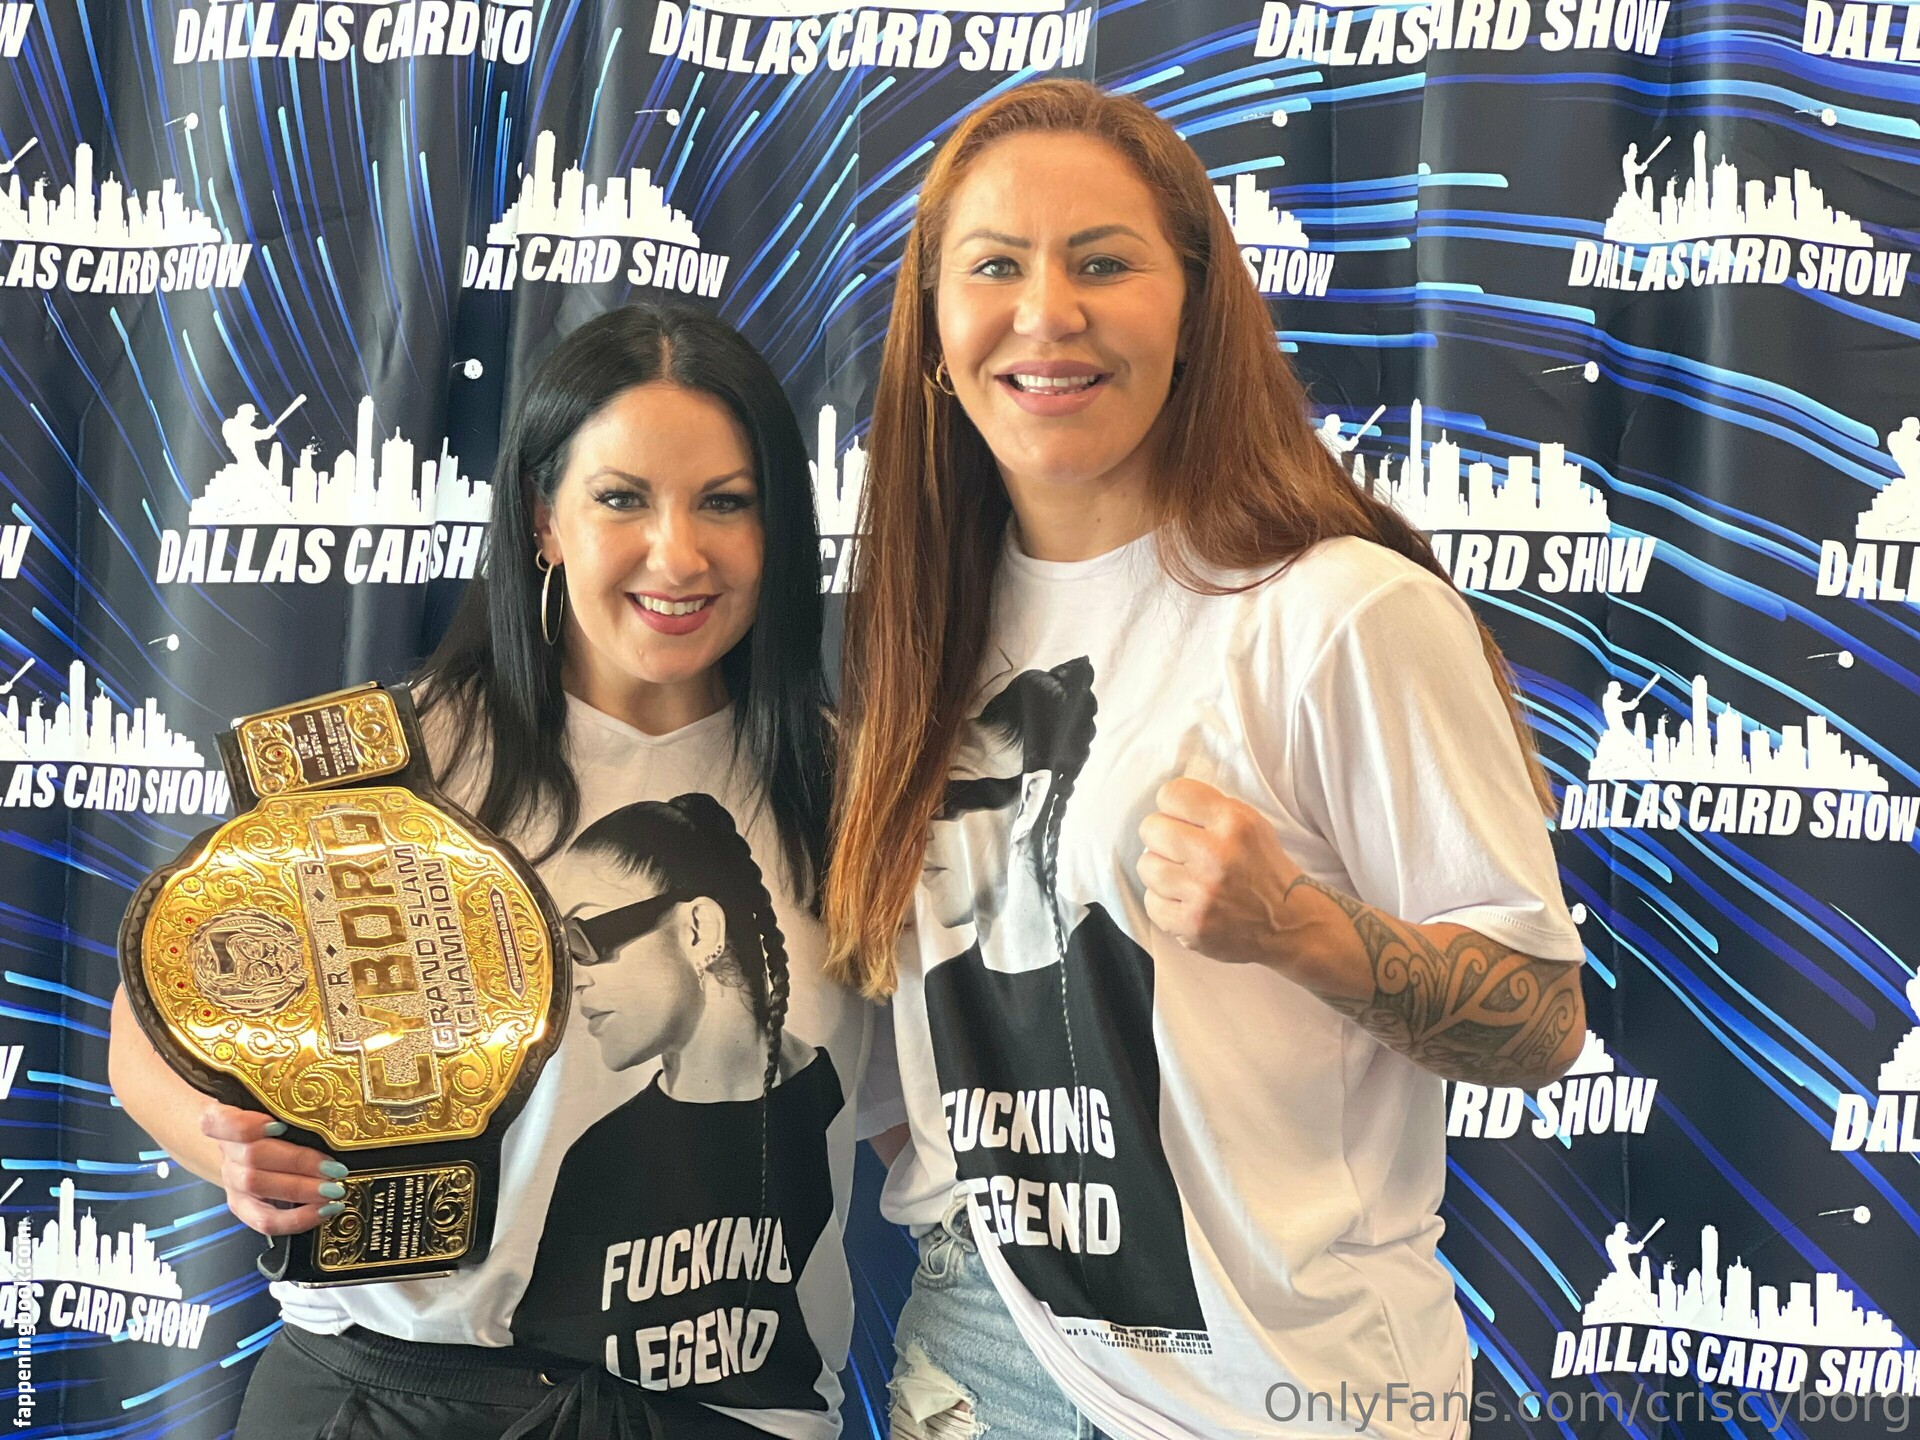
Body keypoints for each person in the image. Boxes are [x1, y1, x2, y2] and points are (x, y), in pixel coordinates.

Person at [828, 80, 1589, 1440]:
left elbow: (1540, 1017)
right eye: (993, 266)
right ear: (934, 329)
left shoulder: (1340, 610)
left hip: (1289, 1391)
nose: (1046, 313)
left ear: (1193, 310)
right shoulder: (918, 635)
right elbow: (907, 1065)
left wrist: (1300, 930)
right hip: (983, 1367)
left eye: (1102, 263)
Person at [109, 303, 879, 1440]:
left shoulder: (857, 791)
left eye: (727, 500)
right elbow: (146, 1026)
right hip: (385, 1393)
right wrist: (231, 1153)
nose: (678, 553)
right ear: (542, 521)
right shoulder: (390, 768)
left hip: (729, 1411)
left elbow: (929, 1121)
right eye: (622, 498)